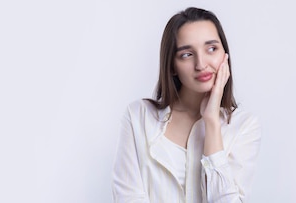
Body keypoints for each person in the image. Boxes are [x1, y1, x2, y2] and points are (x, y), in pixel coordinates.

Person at [112, 7, 262, 203]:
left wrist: (211, 123)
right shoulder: (138, 117)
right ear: (172, 66)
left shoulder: (244, 126)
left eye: (211, 49)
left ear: (225, 55)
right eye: (186, 54)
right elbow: (127, 198)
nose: (201, 64)